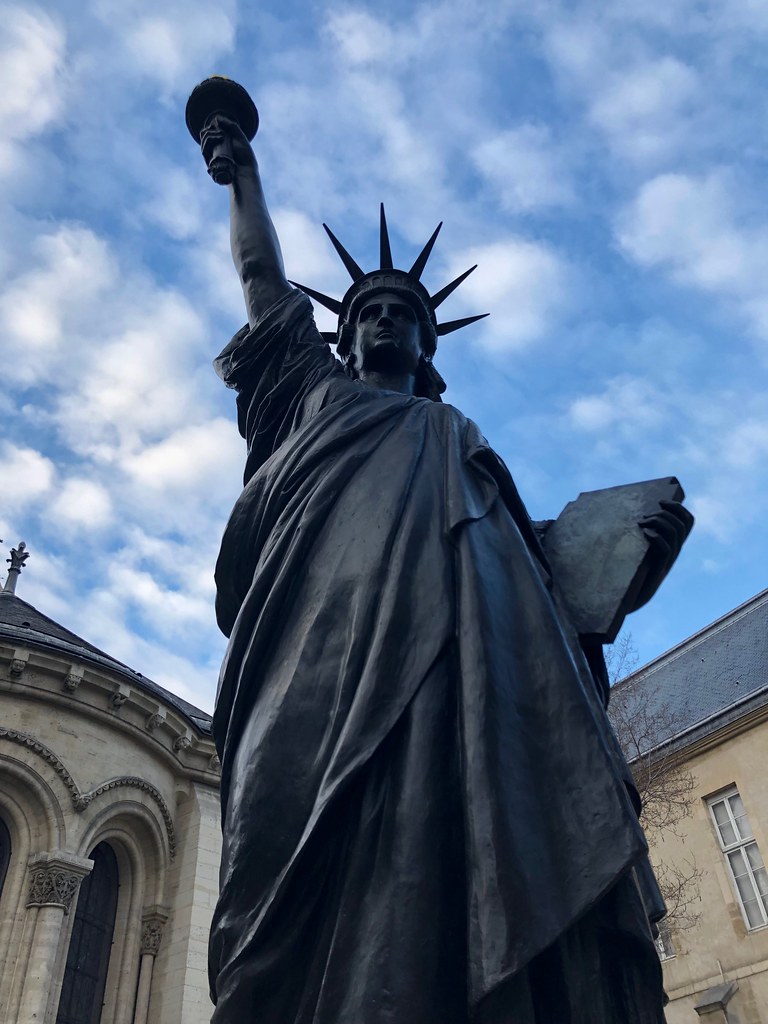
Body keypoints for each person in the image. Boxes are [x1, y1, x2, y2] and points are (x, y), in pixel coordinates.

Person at [199, 113, 692, 1024]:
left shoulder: (456, 438)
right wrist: (242, 178)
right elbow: (263, 279)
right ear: (344, 341)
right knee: (279, 872)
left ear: (429, 348)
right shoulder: (310, 396)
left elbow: (527, 584)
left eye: (405, 315)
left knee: (440, 850)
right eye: (367, 312)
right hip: (312, 670)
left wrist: (613, 558)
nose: (384, 319)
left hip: (453, 681)